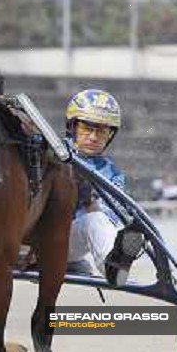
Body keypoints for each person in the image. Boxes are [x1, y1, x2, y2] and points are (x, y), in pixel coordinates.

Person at [65, 89, 144, 286]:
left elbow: (111, 217)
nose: (92, 137)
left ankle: (114, 267)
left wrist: (91, 203)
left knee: (96, 219)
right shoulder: (51, 151)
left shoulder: (112, 174)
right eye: (86, 129)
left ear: (110, 135)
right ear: (72, 127)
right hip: (39, 236)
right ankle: (115, 266)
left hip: (70, 240)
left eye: (101, 132)